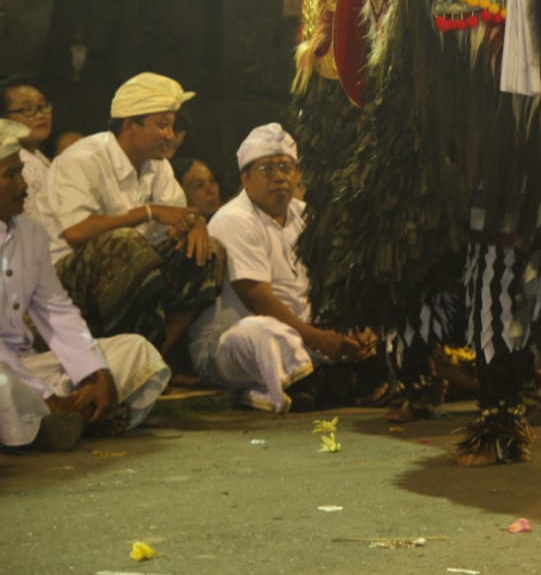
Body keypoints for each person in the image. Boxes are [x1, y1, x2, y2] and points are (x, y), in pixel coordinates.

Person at [0, 120, 169, 451]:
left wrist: (95, 371)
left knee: (134, 350)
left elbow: (57, 311)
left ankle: (66, 414)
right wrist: (44, 394)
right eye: (11, 176)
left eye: (21, 173)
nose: (24, 186)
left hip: (26, 362)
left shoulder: (30, 233)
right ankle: (54, 415)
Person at [187, 124, 378, 412]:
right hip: (229, 346)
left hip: (302, 335)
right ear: (245, 178)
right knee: (264, 331)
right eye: (266, 169)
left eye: (285, 168)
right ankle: (303, 383)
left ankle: (288, 386)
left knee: (367, 330)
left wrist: (351, 328)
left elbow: (330, 282)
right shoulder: (234, 218)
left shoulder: (305, 216)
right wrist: (317, 339)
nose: (278, 177)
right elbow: (255, 297)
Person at [36, 73, 221, 363]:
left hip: (135, 267)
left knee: (208, 251)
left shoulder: (157, 166)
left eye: (171, 126)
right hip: (62, 281)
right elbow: (75, 232)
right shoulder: (82, 159)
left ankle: (150, 361)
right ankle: (118, 364)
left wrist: (193, 226)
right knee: (125, 243)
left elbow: (176, 217)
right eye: (161, 125)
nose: (170, 136)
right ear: (130, 125)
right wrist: (147, 212)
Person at [1, 76, 54, 222]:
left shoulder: (35, 155)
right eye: (27, 109)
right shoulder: (18, 163)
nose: (40, 115)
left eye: (44, 106)